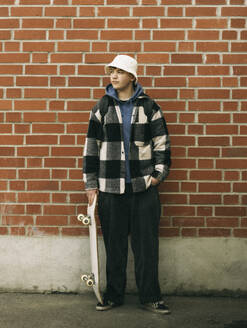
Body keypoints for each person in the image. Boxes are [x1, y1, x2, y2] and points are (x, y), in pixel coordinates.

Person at [83, 55, 171, 314]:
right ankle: (112, 296)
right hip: (110, 189)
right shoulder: (102, 107)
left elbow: (162, 144)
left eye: (119, 72)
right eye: (112, 71)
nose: (113, 76)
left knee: (147, 247)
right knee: (114, 246)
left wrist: (157, 175)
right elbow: (91, 149)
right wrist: (91, 184)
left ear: (132, 77)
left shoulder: (150, 107)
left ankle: (151, 297)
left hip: (144, 188)